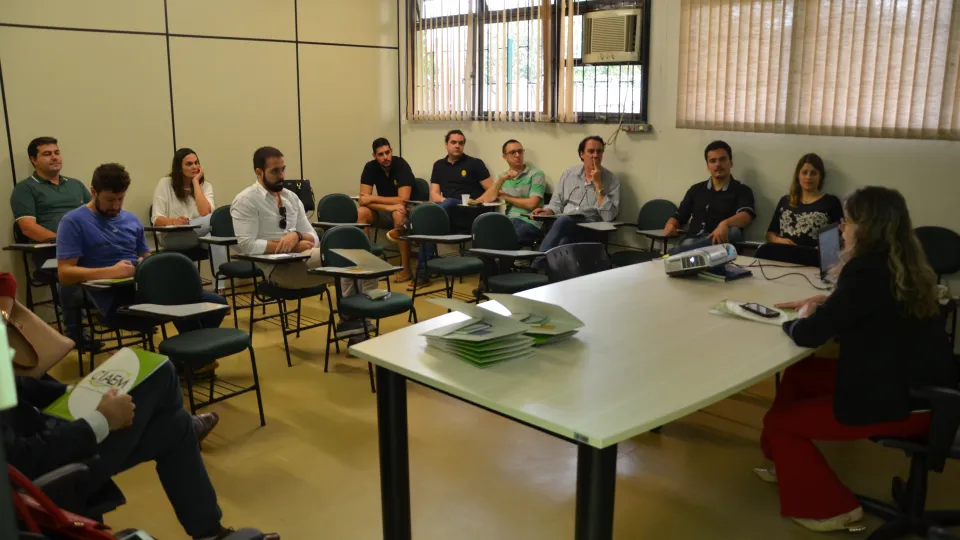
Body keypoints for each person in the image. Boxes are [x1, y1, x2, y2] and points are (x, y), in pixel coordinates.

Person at [1, 273, 277, 540]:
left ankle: (209, 533)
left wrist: (76, 392)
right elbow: (23, 462)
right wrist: (102, 420)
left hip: (46, 430)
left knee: (175, 426)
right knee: (162, 371)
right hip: (43, 482)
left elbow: (18, 387)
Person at [756, 186, 959, 533]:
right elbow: (868, 308)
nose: (842, 230)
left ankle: (834, 509)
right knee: (800, 375)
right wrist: (828, 302)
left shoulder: (865, 271)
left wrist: (800, 318)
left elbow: (809, 335)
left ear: (867, 228)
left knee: (782, 423)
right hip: (916, 383)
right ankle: (788, 463)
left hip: (909, 402)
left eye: (847, 223)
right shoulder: (900, 262)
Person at [56, 163, 227, 333]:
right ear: (94, 192)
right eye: (110, 200)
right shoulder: (73, 222)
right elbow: (65, 274)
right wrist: (111, 272)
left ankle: (191, 352)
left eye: (120, 199)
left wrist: (145, 262)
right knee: (179, 305)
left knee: (218, 303)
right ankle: (191, 354)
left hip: (146, 286)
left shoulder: (131, 220)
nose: (116, 206)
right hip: (114, 297)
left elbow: (147, 257)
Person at [231, 147, 375, 336]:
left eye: (283, 169)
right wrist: (292, 244)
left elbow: (313, 237)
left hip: (303, 257)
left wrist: (297, 236)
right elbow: (248, 245)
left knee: (363, 261)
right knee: (347, 263)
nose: (281, 175)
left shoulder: (290, 198)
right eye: (275, 171)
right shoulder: (246, 200)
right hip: (277, 270)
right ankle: (354, 323)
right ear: (259, 172)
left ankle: (353, 321)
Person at [9, 136, 95, 350]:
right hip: (52, 253)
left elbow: (95, 215)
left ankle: (120, 316)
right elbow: (28, 227)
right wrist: (65, 241)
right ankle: (77, 336)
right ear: (33, 160)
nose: (54, 157)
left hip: (86, 249)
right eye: (47, 154)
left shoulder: (75, 185)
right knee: (71, 276)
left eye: (56, 152)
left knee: (125, 262)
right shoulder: (25, 189)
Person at [405, 130, 495, 290]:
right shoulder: (438, 165)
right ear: (446, 144)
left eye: (461, 143)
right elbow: (433, 194)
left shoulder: (475, 164)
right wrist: (444, 202)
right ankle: (422, 276)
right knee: (432, 223)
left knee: (434, 218)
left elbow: (492, 190)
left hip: (468, 214)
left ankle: (408, 225)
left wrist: (478, 201)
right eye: (453, 142)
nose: (457, 146)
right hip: (446, 214)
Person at [152, 148, 229, 291]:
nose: (194, 167)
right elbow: (156, 219)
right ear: (179, 168)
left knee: (216, 239)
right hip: (173, 237)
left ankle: (220, 290)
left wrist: (195, 183)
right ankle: (246, 245)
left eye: (196, 163)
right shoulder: (165, 184)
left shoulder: (205, 186)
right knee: (216, 219)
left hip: (198, 235)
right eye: (189, 164)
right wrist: (174, 221)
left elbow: (205, 212)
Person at [531, 135, 621, 255]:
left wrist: (598, 184)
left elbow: (608, 216)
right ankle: (547, 270)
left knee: (563, 221)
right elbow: (556, 203)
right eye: (591, 151)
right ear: (582, 154)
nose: (595, 155)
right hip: (565, 226)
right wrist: (546, 211)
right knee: (564, 240)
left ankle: (537, 262)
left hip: (592, 227)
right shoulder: (569, 174)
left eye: (599, 151)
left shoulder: (611, 179)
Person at [664, 141, 755, 253]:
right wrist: (671, 224)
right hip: (692, 241)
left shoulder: (742, 190)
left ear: (731, 163)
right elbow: (680, 215)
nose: (718, 164)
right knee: (687, 245)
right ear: (707, 166)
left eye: (722, 159)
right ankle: (683, 252)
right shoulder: (696, 190)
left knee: (733, 231)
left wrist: (725, 223)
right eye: (713, 161)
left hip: (722, 248)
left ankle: (678, 253)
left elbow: (746, 216)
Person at [357, 138, 414, 283]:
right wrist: (388, 206)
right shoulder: (370, 167)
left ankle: (406, 269)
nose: (385, 157)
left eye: (387, 153)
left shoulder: (401, 165)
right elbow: (363, 200)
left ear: (391, 151)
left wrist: (373, 198)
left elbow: (403, 200)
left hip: (409, 211)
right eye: (381, 154)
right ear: (374, 156)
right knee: (361, 212)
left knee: (398, 212)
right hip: (385, 210)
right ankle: (368, 266)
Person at [766, 153, 843, 247]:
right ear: (798, 175)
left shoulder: (831, 202)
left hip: (813, 259)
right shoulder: (785, 201)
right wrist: (779, 241)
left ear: (820, 176)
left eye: (813, 173)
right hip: (784, 256)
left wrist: (824, 248)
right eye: (804, 172)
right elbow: (770, 235)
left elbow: (840, 236)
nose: (808, 177)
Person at [481, 139, 546, 246]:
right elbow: (487, 199)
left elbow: (532, 204)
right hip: (509, 220)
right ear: (504, 157)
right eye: (512, 152)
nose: (517, 155)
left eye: (520, 151)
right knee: (485, 233)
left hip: (530, 222)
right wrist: (501, 180)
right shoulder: (503, 176)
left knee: (508, 234)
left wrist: (506, 197)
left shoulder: (536, 174)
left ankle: (507, 261)